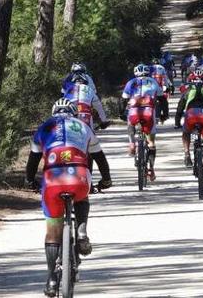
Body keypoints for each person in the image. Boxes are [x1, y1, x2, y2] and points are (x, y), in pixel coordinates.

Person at [25, 98, 112, 297]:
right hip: (79, 177)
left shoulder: (44, 128)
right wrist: (106, 180)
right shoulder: (82, 126)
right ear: (72, 113)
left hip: (53, 179)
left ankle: (52, 279)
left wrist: (30, 181)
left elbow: (32, 162)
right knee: (82, 195)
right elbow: (100, 158)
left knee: (52, 231)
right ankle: (81, 232)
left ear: (53, 112)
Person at [120, 64, 166, 181]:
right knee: (151, 142)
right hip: (149, 112)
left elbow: (123, 100)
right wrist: (164, 114)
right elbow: (162, 99)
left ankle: (131, 144)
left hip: (134, 111)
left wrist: (121, 114)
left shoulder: (131, 82)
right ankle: (151, 168)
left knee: (130, 124)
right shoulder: (153, 82)